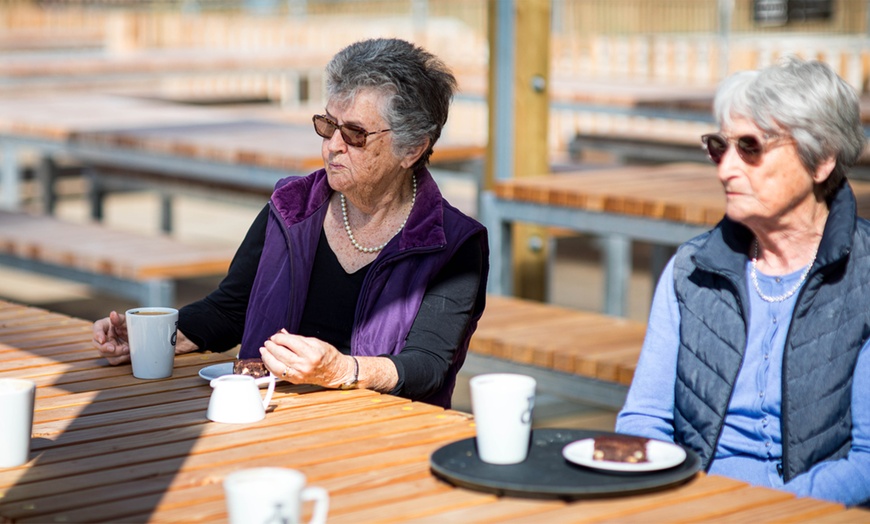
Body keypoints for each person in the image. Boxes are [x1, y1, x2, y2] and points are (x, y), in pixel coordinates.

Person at [92, 38, 489, 409]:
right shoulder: (292, 206)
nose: (333, 144)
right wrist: (152, 340)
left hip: (382, 436)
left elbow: (427, 365)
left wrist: (342, 370)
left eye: (354, 134)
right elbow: (230, 309)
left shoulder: (452, 242)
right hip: (272, 415)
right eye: (328, 124)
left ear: (412, 148)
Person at [615, 56, 870, 506]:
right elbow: (643, 420)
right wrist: (685, 504)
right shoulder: (691, 271)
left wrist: (762, 513)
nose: (726, 169)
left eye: (750, 147)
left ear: (822, 159)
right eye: (719, 147)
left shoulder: (864, 278)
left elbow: (866, 463)